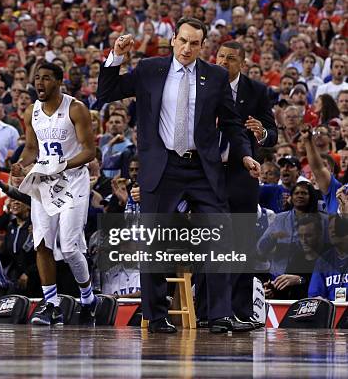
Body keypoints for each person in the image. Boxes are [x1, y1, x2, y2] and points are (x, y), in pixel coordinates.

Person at [98, 18, 259, 334]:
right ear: (172, 39)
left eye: (194, 43)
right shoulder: (149, 69)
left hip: (203, 168)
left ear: (203, 46)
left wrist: (245, 154)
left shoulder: (214, 76)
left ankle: (219, 315)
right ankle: (156, 316)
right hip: (163, 166)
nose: (187, 48)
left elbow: (231, 123)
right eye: (183, 40)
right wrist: (115, 56)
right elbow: (108, 91)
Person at [10, 62, 97, 325]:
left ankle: (88, 297)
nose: (40, 83)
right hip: (45, 183)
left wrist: (63, 164)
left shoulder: (76, 109)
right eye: (37, 78)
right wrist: (21, 163)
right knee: (43, 244)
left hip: (73, 182)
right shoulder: (31, 112)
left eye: (46, 78)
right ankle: (51, 305)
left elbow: (90, 152)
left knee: (69, 247)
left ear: (59, 81)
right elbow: (31, 147)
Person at [215, 41, 278, 327]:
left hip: (243, 175)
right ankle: (208, 311)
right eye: (220, 56)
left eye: (230, 58)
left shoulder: (257, 91)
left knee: (241, 243)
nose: (223, 61)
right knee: (209, 243)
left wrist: (262, 132)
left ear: (242, 63)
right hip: (207, 173)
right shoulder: (201, 84)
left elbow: (273, 133)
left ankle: (240, 310)